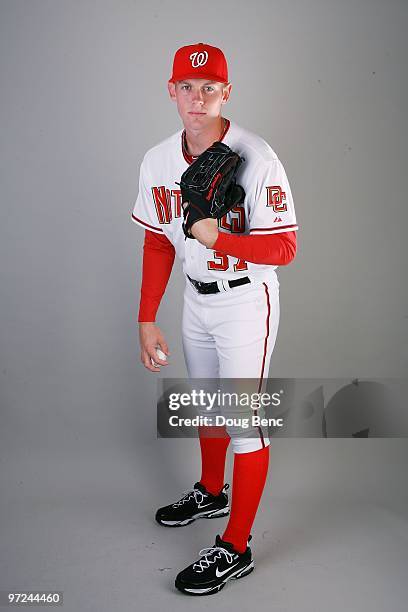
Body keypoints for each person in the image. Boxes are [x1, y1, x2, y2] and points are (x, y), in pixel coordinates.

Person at [131, 42, 298, 596]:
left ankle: (237, 547)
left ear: (227, 92)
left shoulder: (257, 155)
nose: (197, 98)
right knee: (206, 405)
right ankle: (210, 489)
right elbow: (158, 241)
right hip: (195, 298)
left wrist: (218, 236)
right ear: (171, 91)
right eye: (187, 87)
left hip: (246, 301)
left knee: (242, 421)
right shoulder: (157, 159)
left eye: (210, 88)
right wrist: (146, 317)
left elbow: (284, 248)